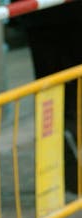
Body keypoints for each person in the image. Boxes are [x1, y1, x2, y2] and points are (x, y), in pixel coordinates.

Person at [14, 3, 82, 193]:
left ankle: (53, 174)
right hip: (65, 14)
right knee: (69, 88)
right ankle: (63, 146)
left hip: (39, 15)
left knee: (48, 92)